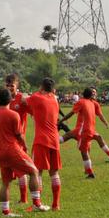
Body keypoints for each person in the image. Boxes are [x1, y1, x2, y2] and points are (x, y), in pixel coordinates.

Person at [0, 88, 47, 217]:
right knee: (33, 171)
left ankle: (5, 212)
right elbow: (19, 135)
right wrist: (25, 146)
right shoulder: (13, 115)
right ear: (10, 99)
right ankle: (37, 204)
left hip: (1, 152)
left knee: (6, 182)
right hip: (12, 149)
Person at [21, 78, 63, 210]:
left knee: (37, 172)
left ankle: (36, 203)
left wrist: (25, 94)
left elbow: (23, 99)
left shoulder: (37, 97)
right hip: (55, 139)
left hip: (41, 140)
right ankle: (56, 204)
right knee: (54, 173)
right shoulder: (55, 99)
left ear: (41, 87)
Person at [59, 87, 109, 178]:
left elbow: (71, 113)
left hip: (83, 130)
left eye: (95, 92)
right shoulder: (91, 103)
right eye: (93, 93)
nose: (94, 94)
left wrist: (61, 120)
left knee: (83, 150)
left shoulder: (88, 103)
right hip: (85, 129)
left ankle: (90, 172)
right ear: (90, 94)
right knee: (72, 137)